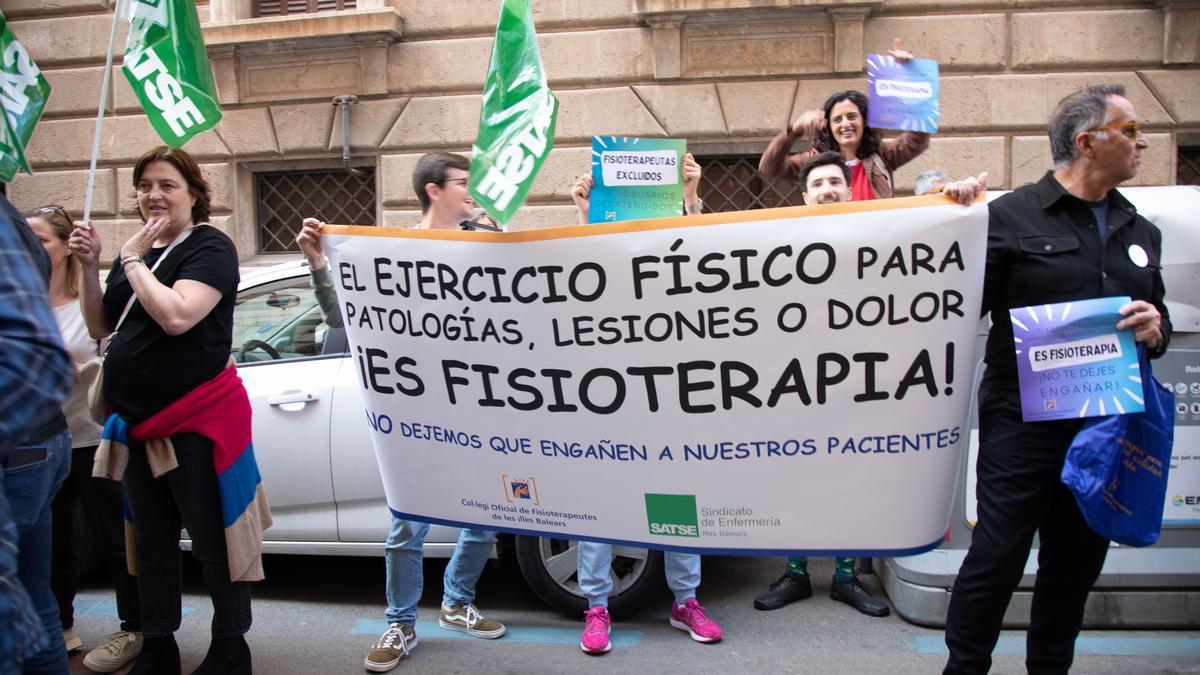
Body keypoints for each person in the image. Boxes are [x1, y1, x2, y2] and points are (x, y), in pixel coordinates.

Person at [943, 84, 1168, 674]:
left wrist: (1154, 327)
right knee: (996, 556)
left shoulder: (1140, 230)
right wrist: (949, 215)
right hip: (1022, 423)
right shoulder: (1006, 216)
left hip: (1102, 429)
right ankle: (963, 667)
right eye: (1129, 129)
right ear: (1088, 142)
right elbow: (946, 302)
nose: (1142, 140)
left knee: (1073, 565)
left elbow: (1157, 322)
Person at [300, 152, 510, 674]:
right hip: (414, 415)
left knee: (484, 519)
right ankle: (401, 623)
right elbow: (337, 316)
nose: (473, 193)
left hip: (474, 409)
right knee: (406, 528)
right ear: (434, 190)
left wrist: (505, 246)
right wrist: (319, 262)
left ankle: (457, 602)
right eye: (466, 183)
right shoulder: (390, 249)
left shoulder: (478, 245)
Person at [753, 152, 984, 617]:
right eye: (817, 184)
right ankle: (796, 572)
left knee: (848, 477)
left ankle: (845, 577)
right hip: (795, 385)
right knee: (796, 476)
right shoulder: (780, 244)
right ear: (805, 196)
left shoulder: (878, 236)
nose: (827, 190)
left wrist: (956, 204)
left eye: (835, 182)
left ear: (848, 188)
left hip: (857, 385)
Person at [69, 146, 270, 675]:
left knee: (214, 541)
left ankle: (230, 647)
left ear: (194, 194)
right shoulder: (138, 251)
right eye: (144, 186)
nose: (153, 195)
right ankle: (158, 642)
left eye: (166, 185)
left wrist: (132, 261)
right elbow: (98, 325)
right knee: (151, 543)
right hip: (137, 425)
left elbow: (178, 316)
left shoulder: (210, 247)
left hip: (197, 423)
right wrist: (92, 267)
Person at [568, 152, 724, 655]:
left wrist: (691, 199)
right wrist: (583, 214)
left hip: (668, 402)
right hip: (608, 404)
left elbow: (703, 259)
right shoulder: (604, 268)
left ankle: (685, 601)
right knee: (599, 503)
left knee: (675, 503)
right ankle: (597, 606)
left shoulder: (672, 271)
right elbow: (573, 274)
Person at [25, 204, 145, 672]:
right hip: (39, 441)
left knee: (114, 537)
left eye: (41, 240)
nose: (31, 249)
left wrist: (79, 370)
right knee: (54, 541)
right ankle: (60, 624)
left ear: (63, 247)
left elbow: (114, 357)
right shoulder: (19, 299)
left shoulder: (87, 299)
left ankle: (134, 624)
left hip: (92, 436)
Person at [0, 194, 74, 675]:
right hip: (37, 442)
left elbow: (38, 361)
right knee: (33, 596)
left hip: (24, 449)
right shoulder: (11, 224)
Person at [759, 41, 929, 200]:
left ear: (864, 121)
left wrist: (908, 78)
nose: (845, 124)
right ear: (829, 127)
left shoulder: (883, 156)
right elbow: (769, 167)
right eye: (837, 119)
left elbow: (917, 139)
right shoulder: (813, 160)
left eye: (852, 116)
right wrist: (794, 130)